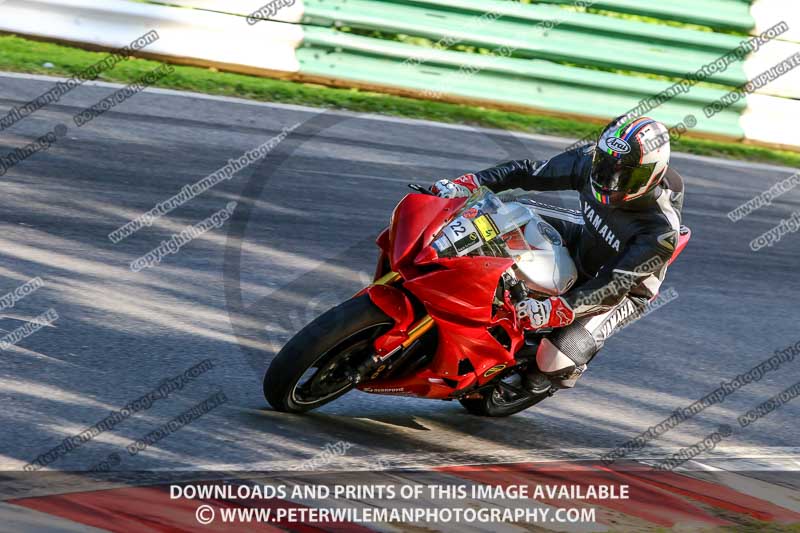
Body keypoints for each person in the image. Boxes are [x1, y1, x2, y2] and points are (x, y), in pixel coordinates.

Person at [431, 116, 684, 392]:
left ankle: (543, 377)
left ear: (654, 175)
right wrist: (470, 183)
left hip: (623, 289)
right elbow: (529, 172)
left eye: (627, 176)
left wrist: (555, 310)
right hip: (585, 235)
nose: (611, 181)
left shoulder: (659, 230)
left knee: (554, 359)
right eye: (606, 167)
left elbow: (612, 286)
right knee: (504, 214)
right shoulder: (588, 162)